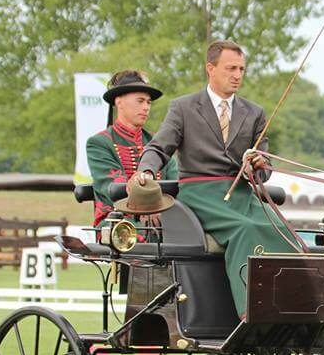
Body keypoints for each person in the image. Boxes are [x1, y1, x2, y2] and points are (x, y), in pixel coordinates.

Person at [132, 40, 297, 316]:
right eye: (231, 68)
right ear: (211, 69)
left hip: (241, 193)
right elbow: (159, 147)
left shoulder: (255, 113)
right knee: (245, 228)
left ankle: (291, 307)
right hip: (200, 193)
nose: (237, 75)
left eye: (241, 69)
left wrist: (258, 165)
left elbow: (264, 170)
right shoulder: (183, 107)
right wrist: (147, 171)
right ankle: (251, 311)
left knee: (284, 231)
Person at [86, 70, 178, 226]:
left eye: (148, 102)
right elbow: (111, 189)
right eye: (140, 101)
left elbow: (175, 183)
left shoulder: (158, 143)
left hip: (160, 220)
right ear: (119, 102)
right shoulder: (100, 143)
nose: (146, 107)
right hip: (117, 221)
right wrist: (148, 208)